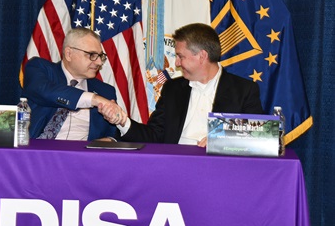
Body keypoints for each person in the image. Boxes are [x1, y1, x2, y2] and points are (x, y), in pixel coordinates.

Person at [99, 23, 263, 147]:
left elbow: (257, 136)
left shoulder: (243, 90)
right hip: (175, 165)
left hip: (221, 168)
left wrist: (221, 139)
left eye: (180, 56)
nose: (176, 63)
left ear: (201, 56)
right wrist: (123, 121)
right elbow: (155, 135)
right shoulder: (173, 89)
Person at [22, 27, 125, 141]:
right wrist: (93, 99)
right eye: (92, 55)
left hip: (81, 155)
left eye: (100, 56)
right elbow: (44, 91)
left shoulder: (105, 91)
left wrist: (110, 140)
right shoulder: (40, 68)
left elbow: (115, 133)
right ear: (69, 54)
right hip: (37, 152)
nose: (99, 62)